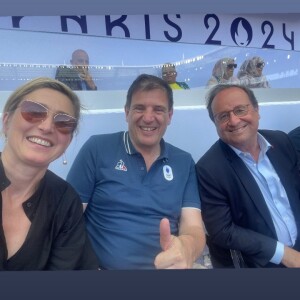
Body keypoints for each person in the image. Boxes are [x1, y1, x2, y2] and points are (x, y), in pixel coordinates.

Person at [67, 74, 206, 270]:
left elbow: (193, 226)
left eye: (158, 109)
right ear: (126, 112)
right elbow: (68, 219)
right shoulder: (97, 148)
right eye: (139, 108)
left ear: (170, 116)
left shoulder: (184, 161)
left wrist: (187, 248)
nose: (148, 118)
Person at [196, 83, 300, 268]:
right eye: (223, 116)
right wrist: (283, 253)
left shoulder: (281, 141)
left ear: (257, 110)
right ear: (215, 124)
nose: (234, 121)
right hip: (262, 262)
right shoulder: (209, 169)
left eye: (240, 110)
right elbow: (222, 230)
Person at [0, 77, 99, 270]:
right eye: (34, 112)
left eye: (63, 122)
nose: (46, 127)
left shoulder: (65, 201)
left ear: (68, 141)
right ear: (6, 121)